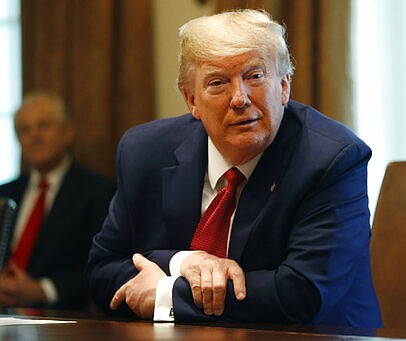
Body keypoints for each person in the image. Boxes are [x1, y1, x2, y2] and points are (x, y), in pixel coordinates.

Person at [86, 9, 382, 327]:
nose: (239, 98)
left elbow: (302, 294)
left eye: (255, 76)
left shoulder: (331, 159)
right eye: (217, 83)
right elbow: (101, 271)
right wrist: (181, 261)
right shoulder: (145, 151)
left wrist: (166, 294)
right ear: (192, 100)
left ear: (284, 86)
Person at [0, 92, 116, 309]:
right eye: (25, 130)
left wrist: (42, 290)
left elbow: (102, 265)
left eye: (43, 126)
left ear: (68, 132)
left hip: (62, 318)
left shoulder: (99, 192)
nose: (34, 136)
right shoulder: (5, 193)